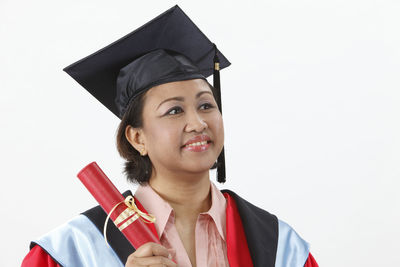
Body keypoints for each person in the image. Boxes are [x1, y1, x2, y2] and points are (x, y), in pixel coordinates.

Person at [22, 5, 318, 267]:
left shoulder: (279, 246)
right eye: (174, 111)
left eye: (206, 105)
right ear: (137, 138)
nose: (198, 122)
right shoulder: (72, 251)